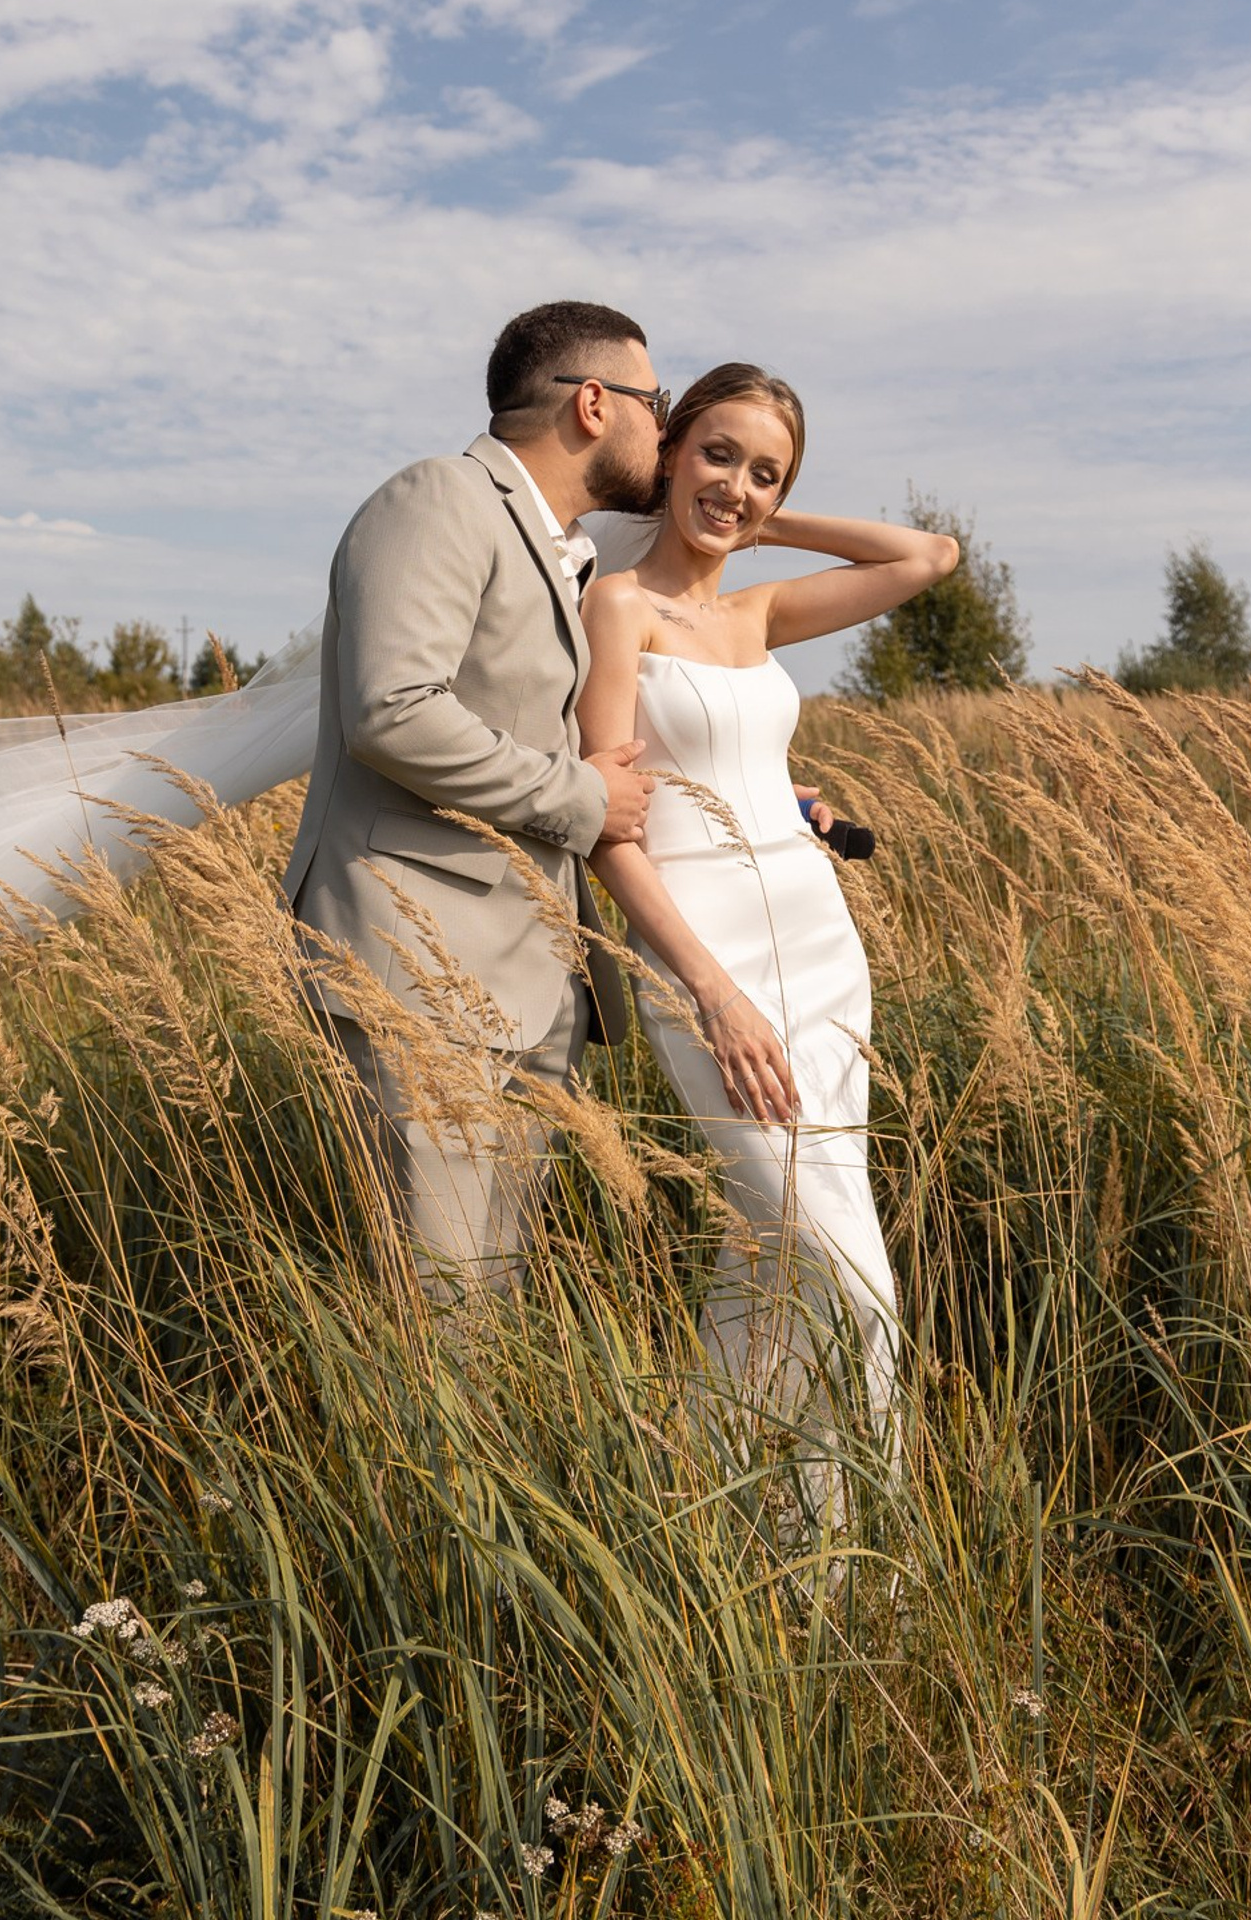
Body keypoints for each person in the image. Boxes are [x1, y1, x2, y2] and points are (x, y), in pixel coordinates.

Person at [576, 363, 959, 1437]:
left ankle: (735, 1513)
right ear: (669, 449)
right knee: (855, 1285)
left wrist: (762, 523)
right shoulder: (617, 606)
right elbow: (611, 830)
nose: (736, 484)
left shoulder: (757, 613)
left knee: (777, 1252)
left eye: (766, 473)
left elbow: (929, 555)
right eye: (716, 455)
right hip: (708, 962)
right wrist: (713, 994)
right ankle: (854, 1543)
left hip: (820, 948)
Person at [280, 300, 662, 1297]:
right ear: (593, 403)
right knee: (437, 1312)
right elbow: (391, 711)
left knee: (492, 1303)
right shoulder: (440, 498)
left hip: (530, 985)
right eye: (655, 404)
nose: (663, 430)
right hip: (418, 970)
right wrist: (581, 799)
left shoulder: (565, 548)